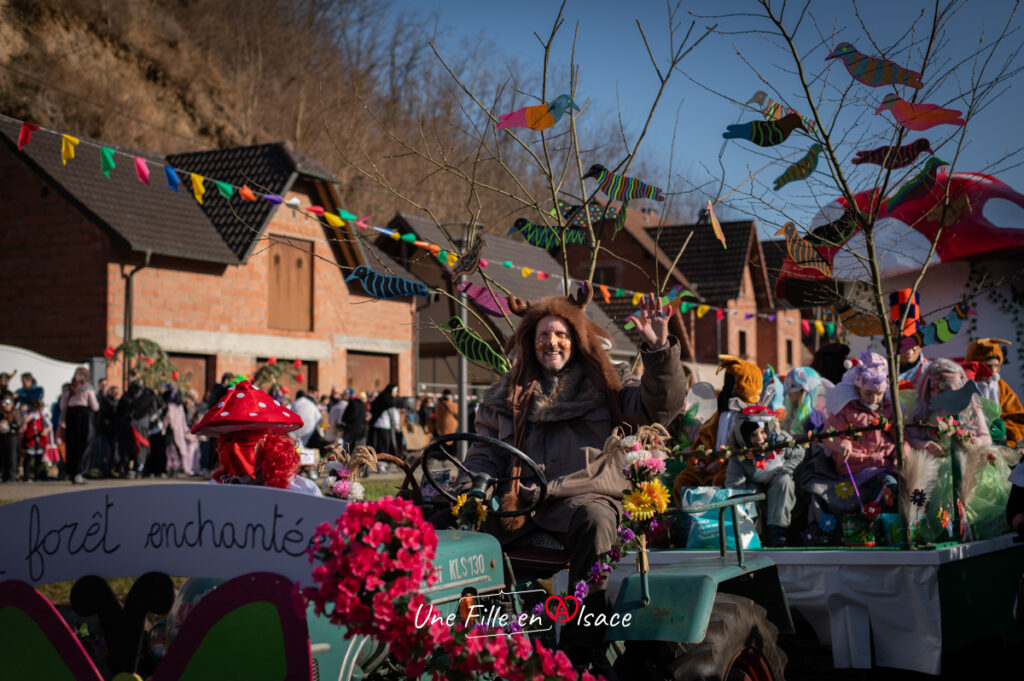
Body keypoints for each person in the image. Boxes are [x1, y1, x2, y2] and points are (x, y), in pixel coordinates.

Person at [459, 286, 685, 673]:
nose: (553, 342)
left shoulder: (609, 386)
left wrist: (660, 350)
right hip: (524, 507)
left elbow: (658, 406)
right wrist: (471, 486)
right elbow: (484, 452)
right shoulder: (503, 395)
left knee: (594, 520)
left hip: (589, 497)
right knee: (454, 526)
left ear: (577, 340)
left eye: (561, 334)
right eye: (543, 334)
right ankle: (477, 638)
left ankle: (582, 649)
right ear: (531, 342)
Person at [906, 359, 1012, 541]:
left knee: (978, 486)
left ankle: (971, 529)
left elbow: (986, 437)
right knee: (935, 487)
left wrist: (973, 442)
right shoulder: (923, 412)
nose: (938, 393)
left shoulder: (970, 409)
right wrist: (926, 445)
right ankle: (945, 531)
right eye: (934, 389)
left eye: (945, 389)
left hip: (968, 458)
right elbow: (911, 437)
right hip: (935, 462)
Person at [797, 351, 901, 522]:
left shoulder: (888, 409)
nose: (874, 398)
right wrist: (841, 443)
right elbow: (827, 435)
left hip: (885, 463)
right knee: (889, 485)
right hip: (857, 466)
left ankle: (890, 525)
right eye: (868, 394)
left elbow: (898, 438)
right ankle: (869, 520)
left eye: (879, 394)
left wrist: (899, 456)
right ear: (858, 388)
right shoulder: (847, 410)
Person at [672, 355, 762, 500]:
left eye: (732, 383)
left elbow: (745, 451)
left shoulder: (753, 418)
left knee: (719, 483)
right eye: (728, 382)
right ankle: (688, 521)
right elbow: (702, 439)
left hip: (733, 467)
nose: (728, 388)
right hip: (710, 465)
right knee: (682, 480)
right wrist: (697, 462)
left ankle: (720, 522)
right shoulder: (720, 415)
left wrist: (720, 463)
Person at [723, 405, 805, 546]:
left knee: (783, 481)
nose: (760, 439)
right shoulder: (739, 455)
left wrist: (779, 472)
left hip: (778, 482)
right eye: (754, 435)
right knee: (748, 492)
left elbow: (799, 454)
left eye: (762, 432)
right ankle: (751, 532)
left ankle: (778, 531)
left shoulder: (780, 441)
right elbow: (734, 484)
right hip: (753, 484)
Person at [965, 338, 1024, 448]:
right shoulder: (967, 385)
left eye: (996, 366)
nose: (992, 371)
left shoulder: (1002, 387)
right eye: (988, 366)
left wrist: (1007, 437)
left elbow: (1017, 416)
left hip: (998, 442)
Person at [58, 367, 99, 484]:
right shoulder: (87, 389)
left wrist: (63, 419)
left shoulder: (68, 389)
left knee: (72, 446)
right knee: (83, 445)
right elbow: (95, 406)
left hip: (71, 417)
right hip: (83, 417)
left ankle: (71, 472)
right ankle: (79, 472)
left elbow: (63, 405)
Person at [782, 366, 830, 437]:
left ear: (805, 390)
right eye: (787, 385)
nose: (788, 391)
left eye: (793, 386)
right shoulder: (793, 412)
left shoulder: (815, 417)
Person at [19, 399, 54, 481]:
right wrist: (29, 417)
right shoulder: (28, 413)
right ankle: (26, 476)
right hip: (30, 438)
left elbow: (49, 425)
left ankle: (37, 476)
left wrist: (46, 430)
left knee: (39, 459)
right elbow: (23, 422)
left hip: (39, 439)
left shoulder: (42, 414)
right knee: (28, 458)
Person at [369, 384, 401, 456]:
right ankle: (382, 461)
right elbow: (393, 414)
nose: (396, 393)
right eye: (395, 391)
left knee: (376, 445)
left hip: (376, 424)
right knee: (383, 445)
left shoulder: (381, 398)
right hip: (384, 426)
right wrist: (396, 425)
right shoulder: (390, 401)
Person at [0, 394, 22, 482]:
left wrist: (9, 425)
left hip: (12, 436)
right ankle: (4, 475)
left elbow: (18, 425)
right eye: (3, 403)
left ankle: (11, 476)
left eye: (7, 403)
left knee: (11, 456)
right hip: (2, 436)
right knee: (3, 456)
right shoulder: (1, 414)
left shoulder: (15, 413)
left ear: (12, 404)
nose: (5, 405)